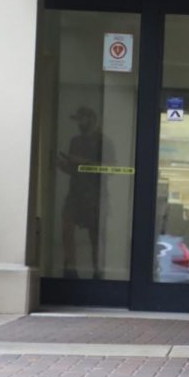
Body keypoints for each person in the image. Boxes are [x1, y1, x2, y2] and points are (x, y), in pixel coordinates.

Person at [58, 106, 115, 279]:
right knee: (66, 227)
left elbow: (111, 169)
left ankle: (98, 273)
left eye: (81, 119)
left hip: (95, 194)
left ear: (91, 120)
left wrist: (81, 162)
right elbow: (74, 170)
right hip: (75, 192)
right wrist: (63, 164)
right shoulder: (75, 141)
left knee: (95, 236)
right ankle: (71, 269)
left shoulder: (104, 141)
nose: (79, 124)